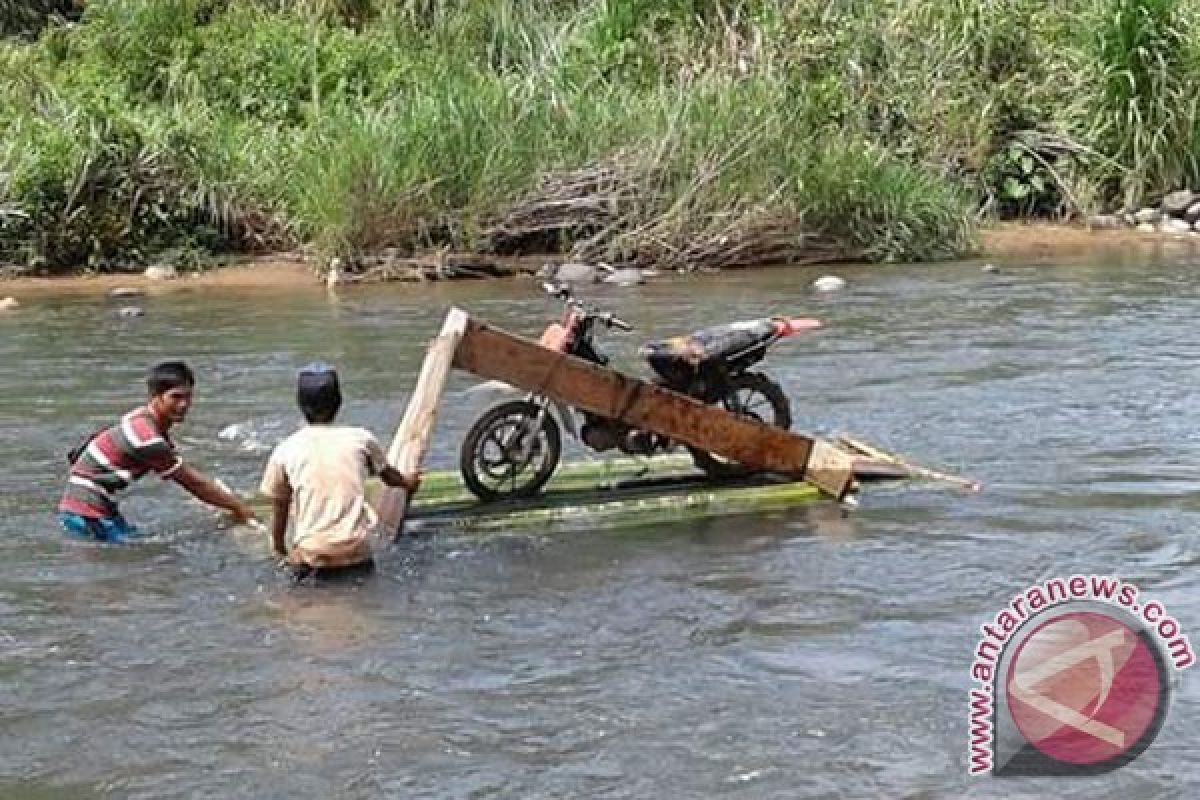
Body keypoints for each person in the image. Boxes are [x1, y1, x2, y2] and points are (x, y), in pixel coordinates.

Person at [58, 361, 258, 541]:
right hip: (88, 513)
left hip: (91, 508)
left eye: (188, 397)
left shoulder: (139, 417)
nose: (184, 405)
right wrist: (240, 508)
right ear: (155, 397)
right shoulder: (148, 440)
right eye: (176, 397)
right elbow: (193, 483)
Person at [259, 362, 420, 579]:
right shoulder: (361, 439)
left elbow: (280, 509)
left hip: (314, 556)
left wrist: (279, 551)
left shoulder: (285, 449)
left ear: (299, 404)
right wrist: (409, 483)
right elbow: (391, 478)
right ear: (339, 403)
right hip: (357, 553)